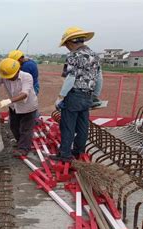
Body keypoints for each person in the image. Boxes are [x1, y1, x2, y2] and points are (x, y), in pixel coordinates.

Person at [50, 26, 101, 162]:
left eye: (66, 44)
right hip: (87, 96)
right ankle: (78, 152)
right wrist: (95, 95)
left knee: (68, 126)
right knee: (83, 126)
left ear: (71, 42)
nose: (67, 48)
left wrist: (60, 97)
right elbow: (99, 77)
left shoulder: (73, 55)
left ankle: (65, 154)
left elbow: (71, 78)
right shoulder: (94, 55)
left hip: (74, 95)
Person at [0, 58, 38, 156]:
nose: (9, 78)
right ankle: (21, 143)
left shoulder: (27, 77)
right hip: (14, 107)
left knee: (26, 129)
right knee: (13, 126)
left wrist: (8, 101)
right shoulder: (4, 75)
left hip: (28, 106)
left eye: (11, 76)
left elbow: (24, 94)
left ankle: (24, 148)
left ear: (18, 70)